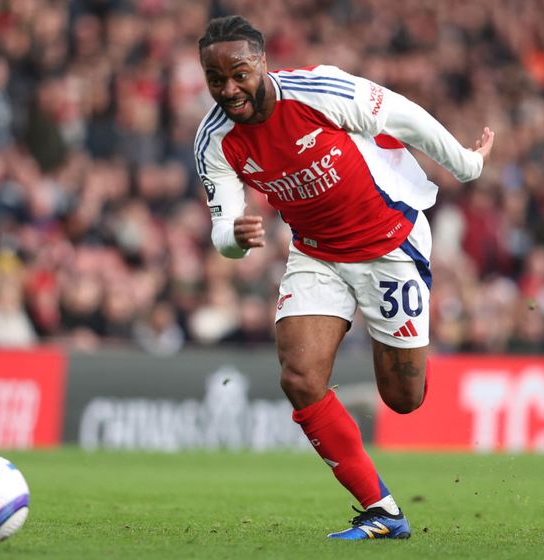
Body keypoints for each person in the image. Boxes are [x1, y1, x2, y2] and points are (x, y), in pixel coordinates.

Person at [195, 15, 494, 540]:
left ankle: (415, 344)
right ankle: (382, 511)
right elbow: (223, 231)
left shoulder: (319, 89)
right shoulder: (213, 140)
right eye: (215, 79)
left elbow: (405, 117)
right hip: (315, 253)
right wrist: (235, 239)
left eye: (238, 73)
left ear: (262, 63)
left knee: (404, 398)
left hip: (389, 243)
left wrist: (467, 164)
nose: (229, 89)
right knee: (299, 376)